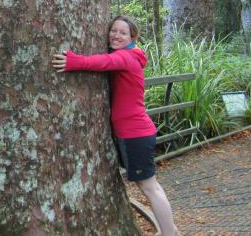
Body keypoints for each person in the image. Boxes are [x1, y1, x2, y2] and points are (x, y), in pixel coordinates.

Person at [52, 16, 179, 236]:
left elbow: (103, 62)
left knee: (149, 187)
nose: (116, 35)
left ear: (132, 38)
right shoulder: (128, 55)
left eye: (123, 33)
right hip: (134, 131)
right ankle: (168, 231)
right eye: (113, 30)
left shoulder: (126, 57)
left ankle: (170, 233)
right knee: (149, 186)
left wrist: (73, 61)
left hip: (135, 133)